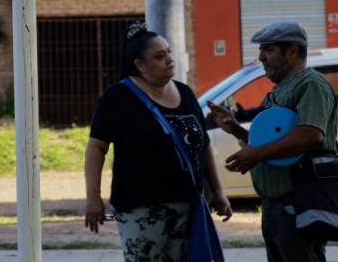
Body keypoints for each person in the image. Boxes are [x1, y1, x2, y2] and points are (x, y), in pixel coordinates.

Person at [86, 22, 232, 261]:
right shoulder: (118, 98)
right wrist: (93, 198)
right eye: (159, 56)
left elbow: (203, 145)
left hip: (189, 207)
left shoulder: (185, 93)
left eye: (169, 53)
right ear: (140, 65)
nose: (169, 60)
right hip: (140, 209)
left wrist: (218, 191)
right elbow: (96, 148)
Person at [211, 21, 338, 262]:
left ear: (292, 51)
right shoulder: (280, 90)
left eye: (268, 50)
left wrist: (255, 154)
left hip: (299, 204)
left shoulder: (310, 84)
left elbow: (310, 134)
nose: (261, 57)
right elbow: (276, 145)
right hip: (276, 207)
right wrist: (236, 129)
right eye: (261, 50)